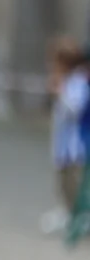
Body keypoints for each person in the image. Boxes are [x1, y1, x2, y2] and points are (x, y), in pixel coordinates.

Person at [40, 36, 89, 236]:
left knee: (75, 187)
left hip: (75, 148)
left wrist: (59, 92)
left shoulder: (78, 83)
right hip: (62, 147)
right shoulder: (67, 82)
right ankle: (70, 216)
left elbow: (74, 110)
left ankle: (80, 219)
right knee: (63, 186)